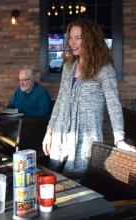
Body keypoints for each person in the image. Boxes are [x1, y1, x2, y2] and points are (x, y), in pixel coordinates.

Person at [42, 18, 136, 175]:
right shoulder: (68, 66)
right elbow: (60, 101)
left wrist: (119, 139)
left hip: (85, 138)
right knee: (56, 180)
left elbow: (114, 105)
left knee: (79, 183)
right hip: (60, 134)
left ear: (90, 39)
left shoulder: (104, 69)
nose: (72, 42)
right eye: (70, 37)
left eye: (78, 38)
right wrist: (49, 132)